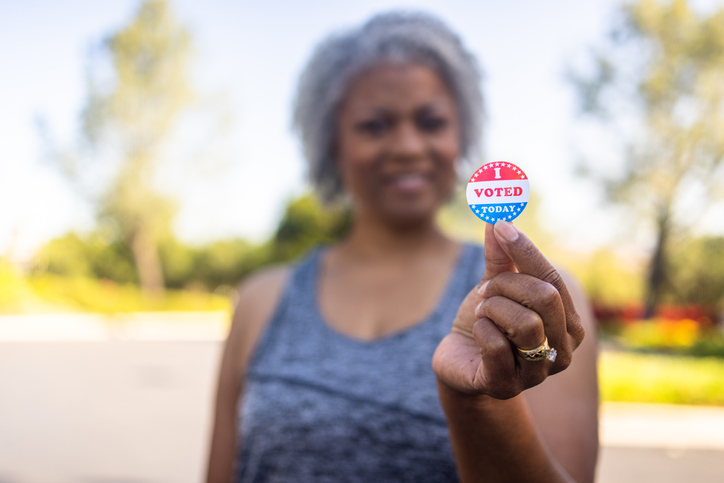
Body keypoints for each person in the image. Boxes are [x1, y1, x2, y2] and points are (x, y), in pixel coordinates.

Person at [206, 11, 598, 483]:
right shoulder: (261, 301)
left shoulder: (531, 301)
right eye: (374, 125)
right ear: (332, 144)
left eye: (431, 122)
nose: (409, 145)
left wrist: (476, 401)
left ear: (462, 136)